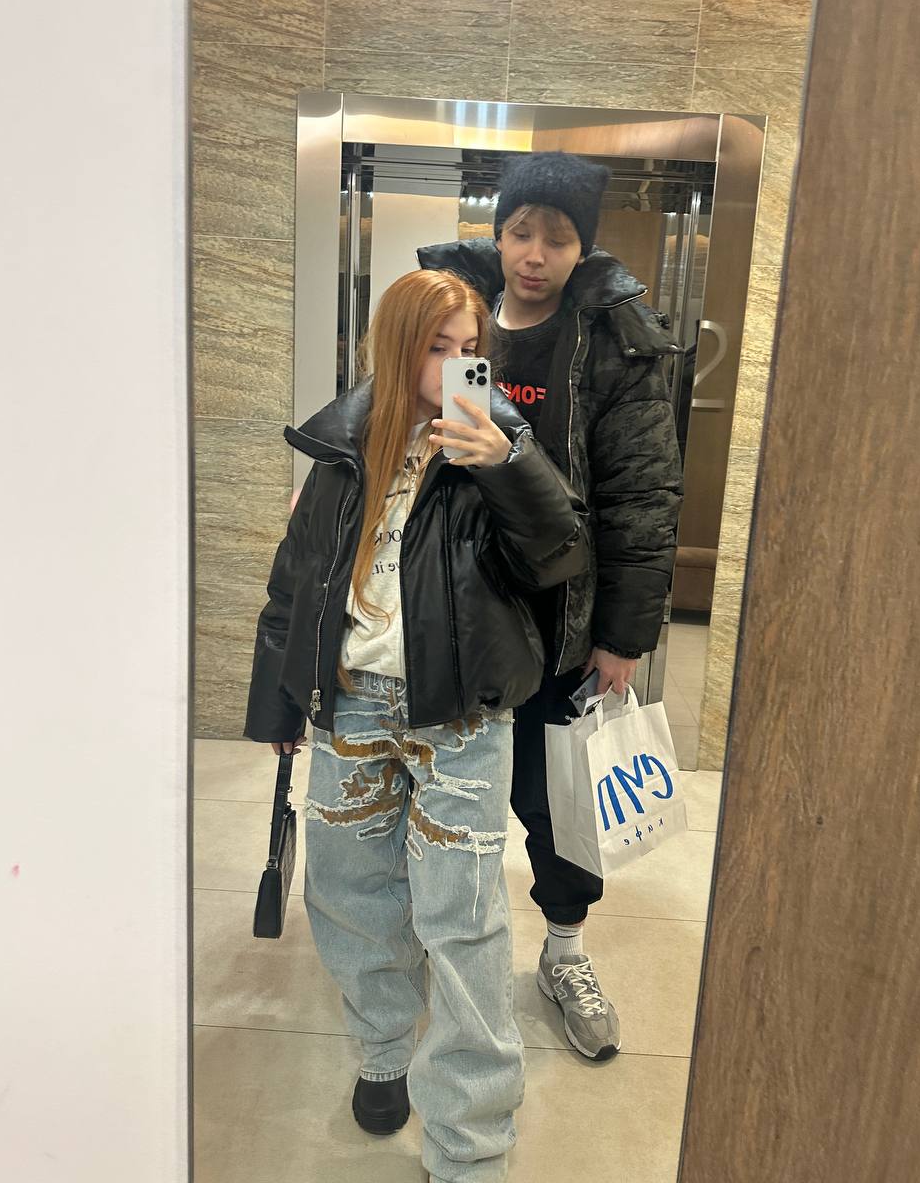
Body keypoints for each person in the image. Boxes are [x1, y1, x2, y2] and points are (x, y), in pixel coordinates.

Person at [244, 268, 590, 1183]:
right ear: (394, 348)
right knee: (350, 895)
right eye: (437, 347)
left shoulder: (499, 439)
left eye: (471, 349)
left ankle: (470, 1144)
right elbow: (295, 581)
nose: (457, 365)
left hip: (462, 713)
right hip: (352, 699)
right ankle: (384, 1049)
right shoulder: (341, 446)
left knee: (462, 922)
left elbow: (561, 556)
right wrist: (277, 700)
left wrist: (505, 467)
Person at [418, 151, 684, 1063]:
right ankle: (443, 946)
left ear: (583, 248)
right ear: (498, 233)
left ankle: (564, 952)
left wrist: (623, 636)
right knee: (447, 798)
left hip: (563, 620)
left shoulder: (613, 340)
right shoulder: (455, 318)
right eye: (521, 232)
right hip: (458, 613)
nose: (535, 254)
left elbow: (644, 496)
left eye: (558, 239)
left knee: (558, 803)